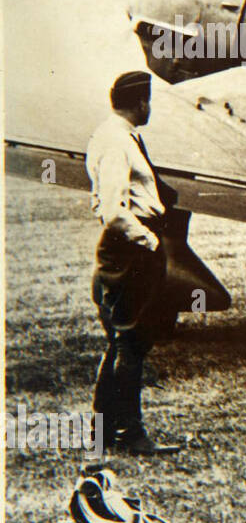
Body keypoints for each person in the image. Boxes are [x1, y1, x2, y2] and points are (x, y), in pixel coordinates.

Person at [86, 71, 180, 455]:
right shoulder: (117, 142)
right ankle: (130, 433)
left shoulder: (112, 136)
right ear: (140, 102)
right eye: (148, 101)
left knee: (123, 341)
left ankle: (105, 432)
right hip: (131, 247)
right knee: (132, 341)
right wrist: (150, 239)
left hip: (126, 245)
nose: (149, 108)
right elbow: (113, 210)